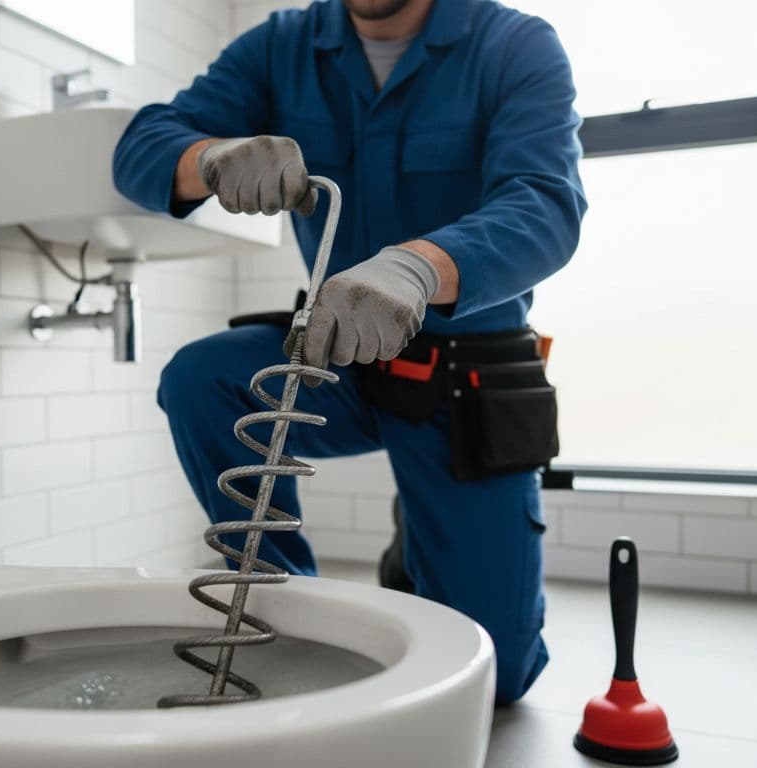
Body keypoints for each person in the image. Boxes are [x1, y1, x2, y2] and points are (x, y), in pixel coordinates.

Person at [112, 0, 585, 704]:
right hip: (339, 356)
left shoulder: (513, 44)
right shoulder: (282, 47)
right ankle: (282, 606)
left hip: (465, 376)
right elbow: (140, 148)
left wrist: (419, 268)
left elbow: (547, 204)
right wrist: (209, 158)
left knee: (497, 675)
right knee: (203, 376)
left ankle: (416, 547)